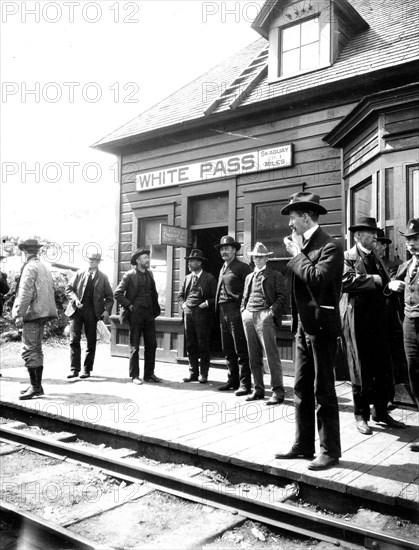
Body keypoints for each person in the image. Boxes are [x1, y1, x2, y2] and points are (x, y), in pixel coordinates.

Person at [275, 192, 343, 471]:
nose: (290, 224)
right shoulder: (306, 245)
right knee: (301, 387)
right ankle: (304, 445)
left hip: (322, 327)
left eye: (292, 217)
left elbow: (316, 279)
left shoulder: (330, 246)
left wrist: (296, 255)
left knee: (323, 389)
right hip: (302, 328)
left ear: (306, 217)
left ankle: (330, 451)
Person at [340, 216, 405, 435]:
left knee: (381, 366)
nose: (375, 237)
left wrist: (389, 286)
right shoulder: (348, 257)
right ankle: (361, 415)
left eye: (375, 234)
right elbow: (345, 282)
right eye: (371, 234)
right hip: (357, 320)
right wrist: (375, 280)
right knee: (360, 367)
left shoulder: (376, 256)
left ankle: (380, 411)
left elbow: (385, 286)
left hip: (380, 320)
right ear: (358, 236)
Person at [241, 242, 287, 405]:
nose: (258, 259)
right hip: (248, 316)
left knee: (271, 355)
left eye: (261, 257)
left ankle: (277, 392)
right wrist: (243, 311)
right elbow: (244, 297)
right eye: (255, 257)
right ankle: (258, 389)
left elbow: (282, 298)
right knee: (253, 355)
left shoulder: (275, 275)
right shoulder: (248, 277)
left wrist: (270, 313)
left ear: (267, 258)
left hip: (264, 316)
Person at [387, 218, 419, 452]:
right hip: (410, 325)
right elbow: (392, 284)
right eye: (409, 240)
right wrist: (392, 286)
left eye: (416, 239)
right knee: (414, 375)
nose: (411, 244)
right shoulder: (407, 266)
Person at [11, 239, 57, 400]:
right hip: (43, 313)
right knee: (37, 348)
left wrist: (19, 313)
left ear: (25, 251)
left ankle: (36, 387)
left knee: (29, 349)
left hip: (33, 314)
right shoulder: (43, 266)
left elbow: (25, 292)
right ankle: (36, 385)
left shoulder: (30, 267)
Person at [114, 247, 162, 384]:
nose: (148, 260)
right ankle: (134, 375)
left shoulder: (150, 274)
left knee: (152, 344)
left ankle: (149, 374)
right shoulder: (129, 275)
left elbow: (153, 293)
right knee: (134, 345)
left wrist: (154, 309)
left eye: (148, 257)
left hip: (149, 314)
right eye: (145, 258)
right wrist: (129, 306)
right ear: (138, 260)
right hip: (135, 314)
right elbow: (117, 293)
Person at [65, 252, 114, 379]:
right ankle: (74, 369)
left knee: (91, 341)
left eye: (94, 260)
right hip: (76, 311)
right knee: (74, 340)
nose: (91, 262)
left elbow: (110, 297)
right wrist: (75, 300)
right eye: (90, 260)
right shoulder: (79, 274)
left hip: (92, 313)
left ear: (98, 262)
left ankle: (87, 369)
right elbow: (68, 289)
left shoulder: (103, 277)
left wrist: (107, 310)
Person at [215, 235, 252, 395]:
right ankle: (232, 380)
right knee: (228, 349)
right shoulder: (222, 267)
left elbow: (250, 289)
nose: (224, 251)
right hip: (223, 312)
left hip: (236, 311)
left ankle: (245, 384)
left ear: (235, 250)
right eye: (222, 249)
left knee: (240, 349)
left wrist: (243, 308)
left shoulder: (242, 267)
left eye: (227, 248)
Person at [178, 249, 217, 383]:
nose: (190, 263)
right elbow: (180, 296)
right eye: (189, 261)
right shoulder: (187, 278)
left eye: (193, 261)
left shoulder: (209, 278)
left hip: (202, 314)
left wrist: (206, 303)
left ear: (200, 262)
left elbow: (215, 297)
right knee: (190, 344)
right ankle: (193, 373)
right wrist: (183, 305)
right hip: (188, 313)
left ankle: (203, 374)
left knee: (203, 344)